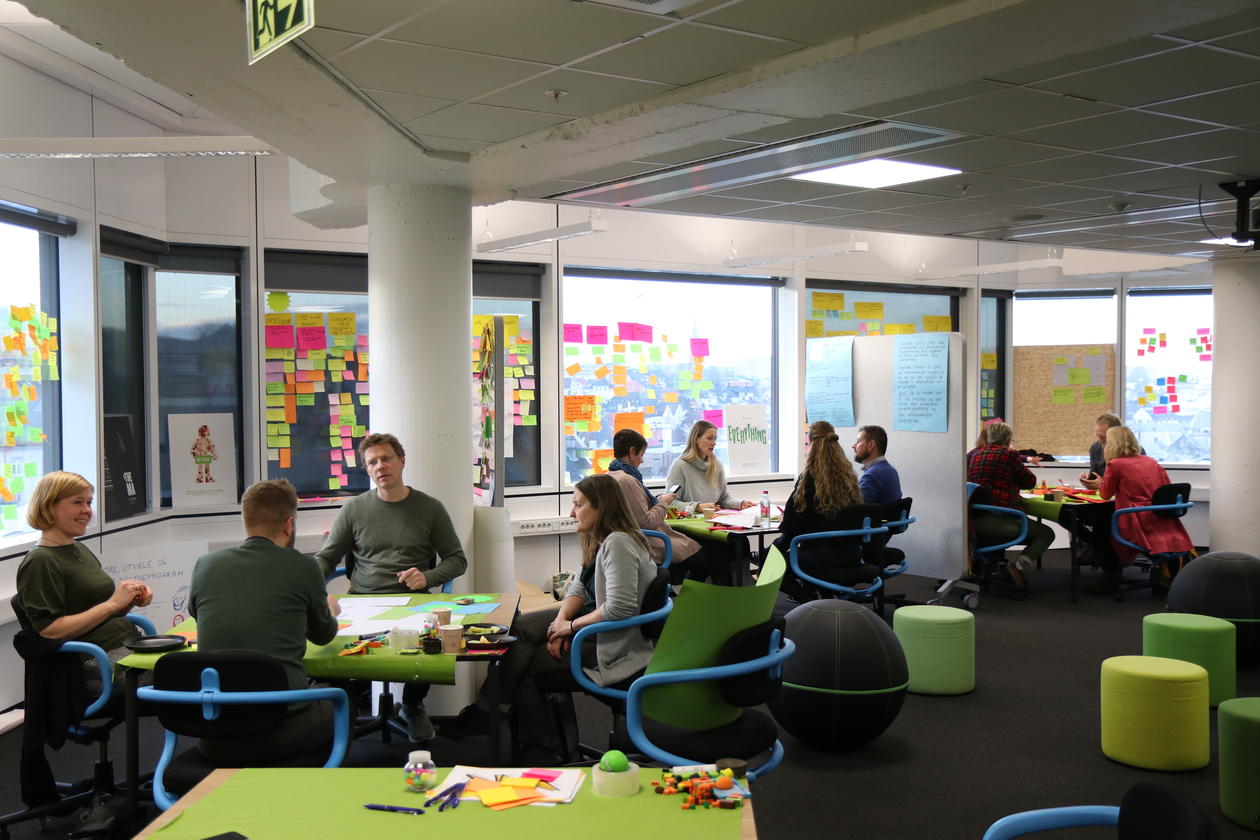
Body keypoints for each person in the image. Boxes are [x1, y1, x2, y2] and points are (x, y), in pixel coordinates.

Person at [445, 474, 657, 761]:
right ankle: (493, 714)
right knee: (519, 628)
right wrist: (560, 624)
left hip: (611, 643)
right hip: (592, 626)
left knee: (526, 665)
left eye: (579, 505)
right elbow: (578, 588)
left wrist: (570, 627)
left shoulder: (618, 543)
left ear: (602, 507)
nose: (571, 513)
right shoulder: (600, 540)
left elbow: (619, 609)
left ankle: (541, 746)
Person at [312, 432, 468, 742]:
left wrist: (428, 577)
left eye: (386, 459)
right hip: (362, 600)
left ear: (402, 462)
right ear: (367, 470)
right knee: (325, 644)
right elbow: (326, 558)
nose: (380, 466)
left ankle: (412, 704)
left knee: (432, 640)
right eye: (372, 462)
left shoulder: (430, 508)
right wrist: (309, 586)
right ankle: (347, 704)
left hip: (413, 601)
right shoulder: (354, 509)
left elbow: (457, 559)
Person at [189, 479, 341, 762]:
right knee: (343, 696)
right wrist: (330, 610)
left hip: (214, 734)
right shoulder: (304, 566)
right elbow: (323, 635)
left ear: (246, 521)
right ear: (289, 525)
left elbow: (197, 614)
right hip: (284, 731)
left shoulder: (205, 565)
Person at [16, 471, 152, 690]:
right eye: (77, 502)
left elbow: (98, 612)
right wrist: (112, 604)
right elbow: (50, 631)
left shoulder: (78, 549)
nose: (87, 510)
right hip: (93, 658)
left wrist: (129, 600)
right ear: (49, 507)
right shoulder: (41, 561)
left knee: (192, 662)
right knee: (181, 673)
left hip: (126, 642)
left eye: (88, 502)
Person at [607, 428, 733, 583]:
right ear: (632, 452)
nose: (642, 461)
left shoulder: (610, 477)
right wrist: (665, 502)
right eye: (641, 455)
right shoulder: (628, 481)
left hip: (637, 543)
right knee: (718, 555)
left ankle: (693, 596)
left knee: (713, 553)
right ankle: (707, 596)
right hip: (651, 543)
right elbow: (646, 522)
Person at [775, 421, 881, 599]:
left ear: (811, 444)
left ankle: (810, 601)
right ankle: (822, 599)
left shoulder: (808, 480)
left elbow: (791, 527)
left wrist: (773, 549)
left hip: (821, 556)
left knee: (771, 563)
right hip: (852, 554)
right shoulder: (848, 477)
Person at [1097, 425, 1192, 586]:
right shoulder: (1151, 461)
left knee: (1101, 530)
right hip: (1162, 518)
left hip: (1135, 519)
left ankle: (1110, 577)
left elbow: (1105, 494)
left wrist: (1100, 482)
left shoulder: (1116, 464)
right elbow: (1165, 489)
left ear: (1111, 445)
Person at [966, 422, 1055, 586]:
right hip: (1001, 520)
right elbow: (1030, 482)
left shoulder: (975, 455)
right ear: (1008, 440)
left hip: (974, 519)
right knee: (1046, 534)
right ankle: (1018, 568)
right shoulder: (1009, 455)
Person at [666, 420, 754, 510]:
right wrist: (698, 507)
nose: (714, 442)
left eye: (715, 438)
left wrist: (740, 504)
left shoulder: (717, 465)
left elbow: (723, 499)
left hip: (714, 516)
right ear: (696, 439)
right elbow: (670, 503)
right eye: (709, 438)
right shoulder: (680, 465)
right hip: (690, 518)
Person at [852, 425, 902, 505]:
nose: (853, 446)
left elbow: (855, 508)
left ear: (871, 445)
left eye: (858, 441)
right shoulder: (891, 470)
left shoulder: (871, 476)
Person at [1080, 412, 1123, 491]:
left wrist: (1103, 484)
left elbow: (1133, 485)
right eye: (1098, 436)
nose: (1100, 440)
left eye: (1104, 437)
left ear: (1116, 433)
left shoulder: (1132, 450)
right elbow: (1094, 477)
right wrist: (1087, 481)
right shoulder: (1095, 448)